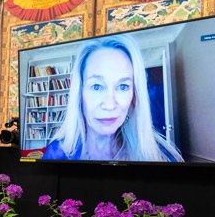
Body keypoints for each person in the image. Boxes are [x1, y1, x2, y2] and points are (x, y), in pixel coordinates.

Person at [42, 35, 184, 162]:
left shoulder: (164, 158)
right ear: (80, 93)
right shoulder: (56, 154)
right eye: (97, 86)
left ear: (134, 95)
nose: (110, 105)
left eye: (122, 87)